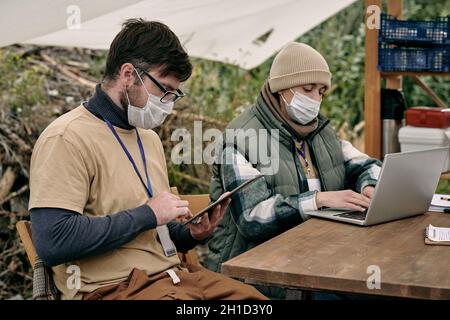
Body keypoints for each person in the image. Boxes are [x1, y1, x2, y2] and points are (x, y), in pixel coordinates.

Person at [28, 18, 266, 301]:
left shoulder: (148, 138)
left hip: (176, 278)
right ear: (128, 74)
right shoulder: (67, 138)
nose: (167, 102)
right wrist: (148, 214)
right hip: (113, 289)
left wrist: (192, 234)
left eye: (173, 95)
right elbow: (53, 240)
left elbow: (154, 235)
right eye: (163, 90)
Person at [204, 42, 382, 299]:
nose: (315, 100)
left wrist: (369, 186)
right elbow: (253, 219)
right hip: (256, 275)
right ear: (280, 89)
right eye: (307, 89)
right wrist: (319, 200)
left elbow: (367, 165)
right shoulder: (240, 139)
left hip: (315, 262)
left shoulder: (320, 132)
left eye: (321, 92)